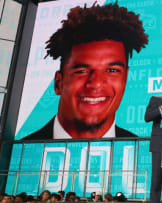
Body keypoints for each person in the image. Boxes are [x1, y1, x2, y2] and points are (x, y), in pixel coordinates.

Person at [22, 2, 148, 140]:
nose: (96, 84)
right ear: (59, 83)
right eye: (82, 71)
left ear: (125, 79)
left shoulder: (145, 154)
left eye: (112, 70)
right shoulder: (14, 154)